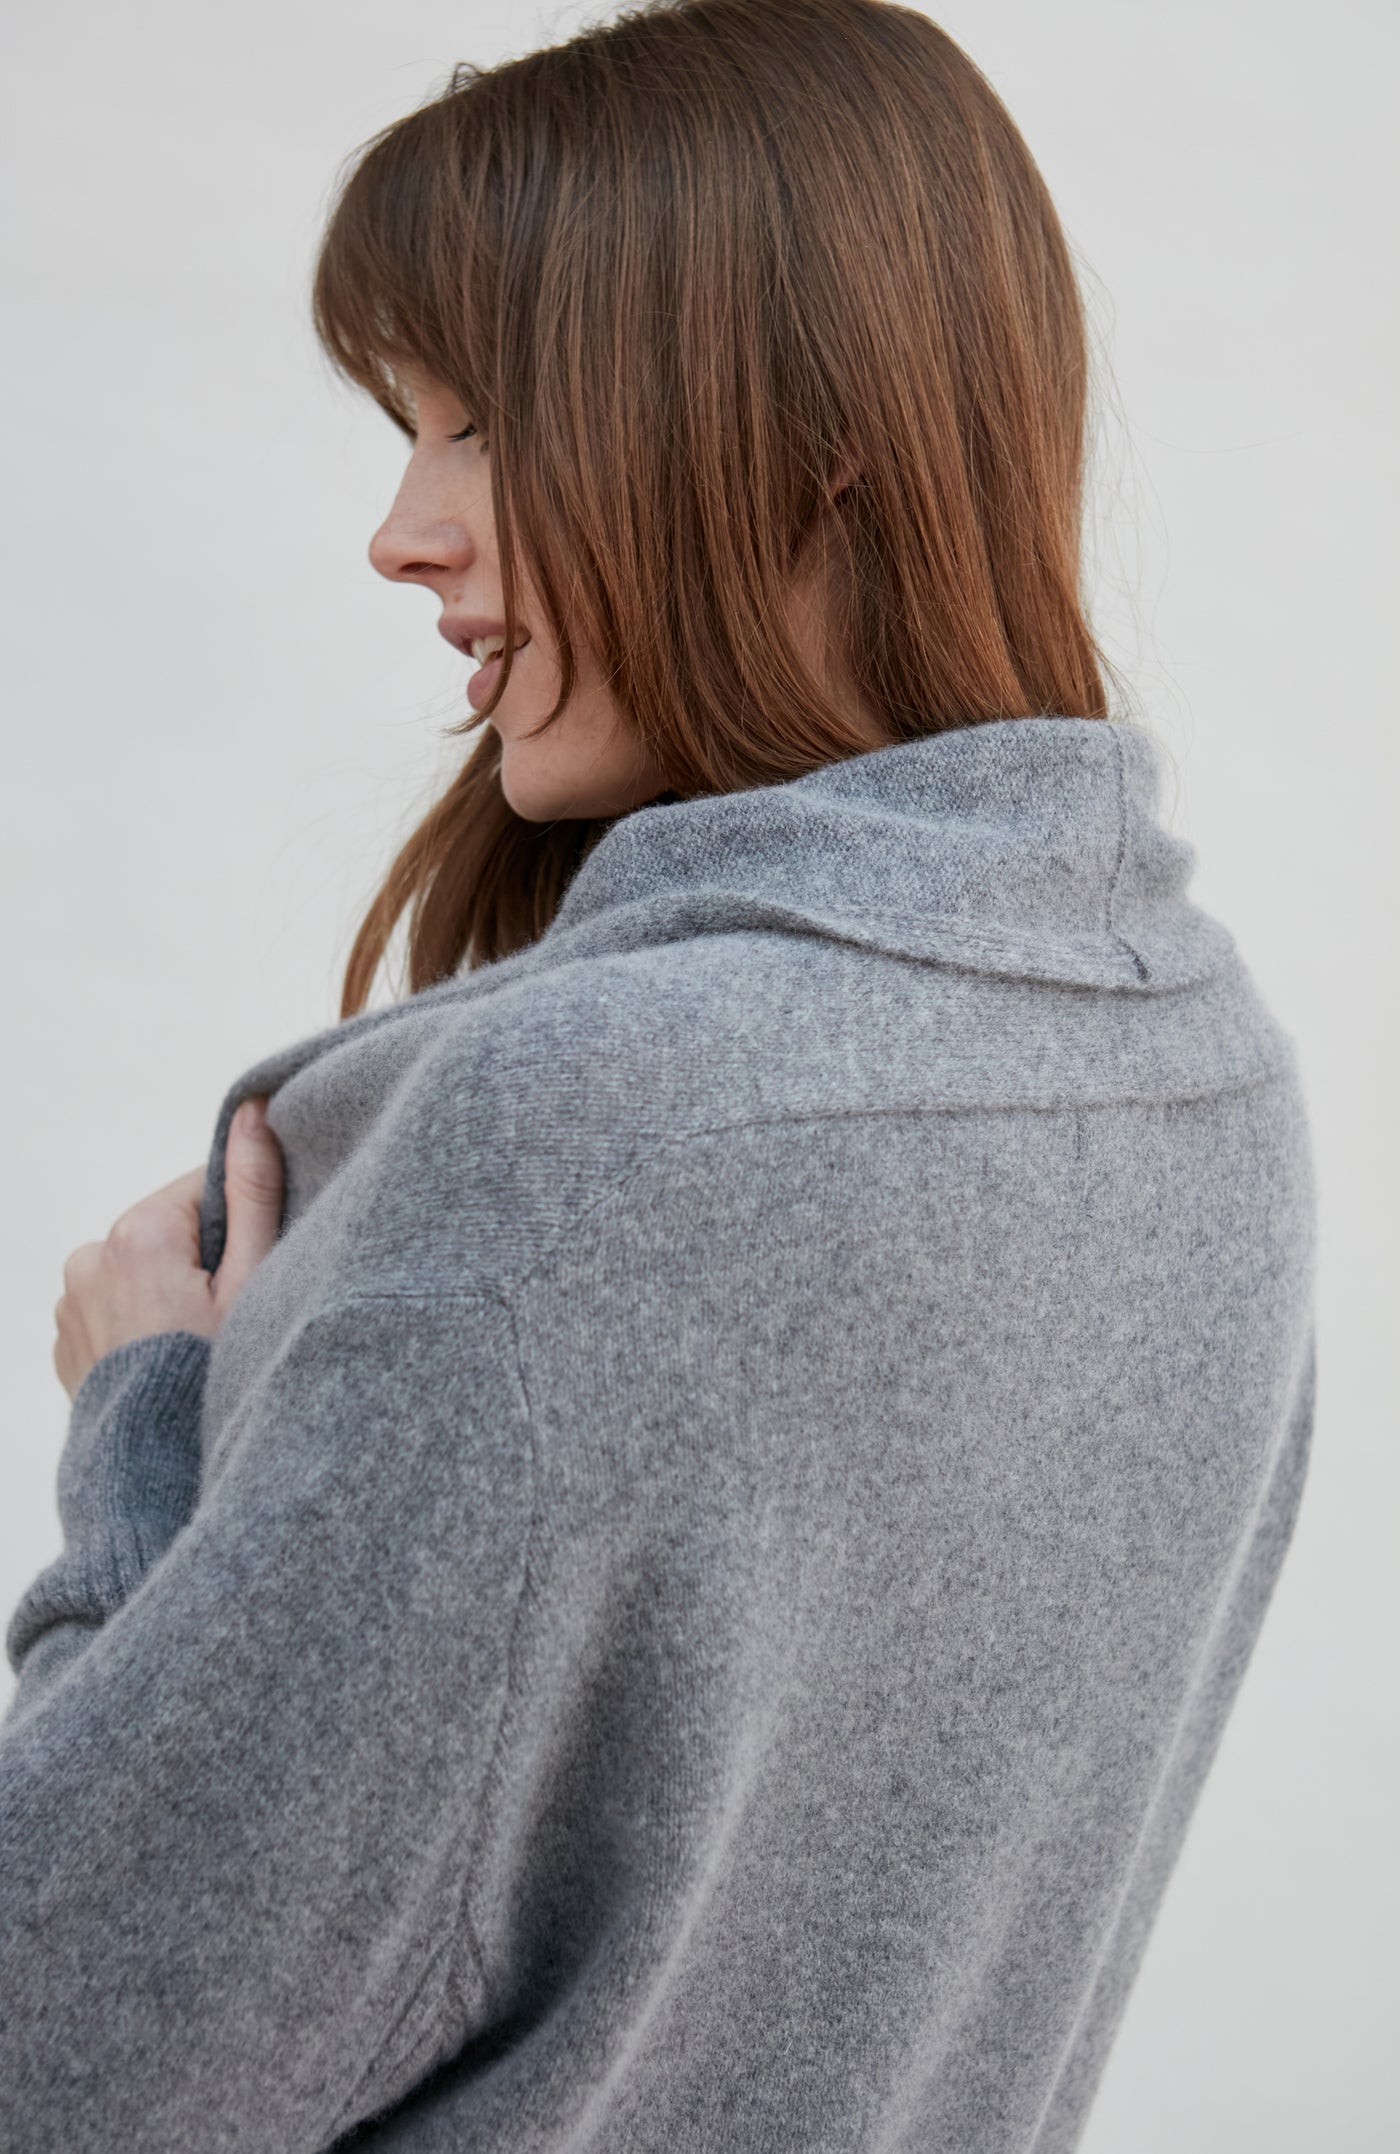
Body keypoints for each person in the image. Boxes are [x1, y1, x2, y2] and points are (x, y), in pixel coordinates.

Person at [0, 2, 1315, 2149]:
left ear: (809, 437)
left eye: (480, 426)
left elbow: (63, 2046)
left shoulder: (593, 1136)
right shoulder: (1204, 1084)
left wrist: (141, 1432)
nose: (400, 535)